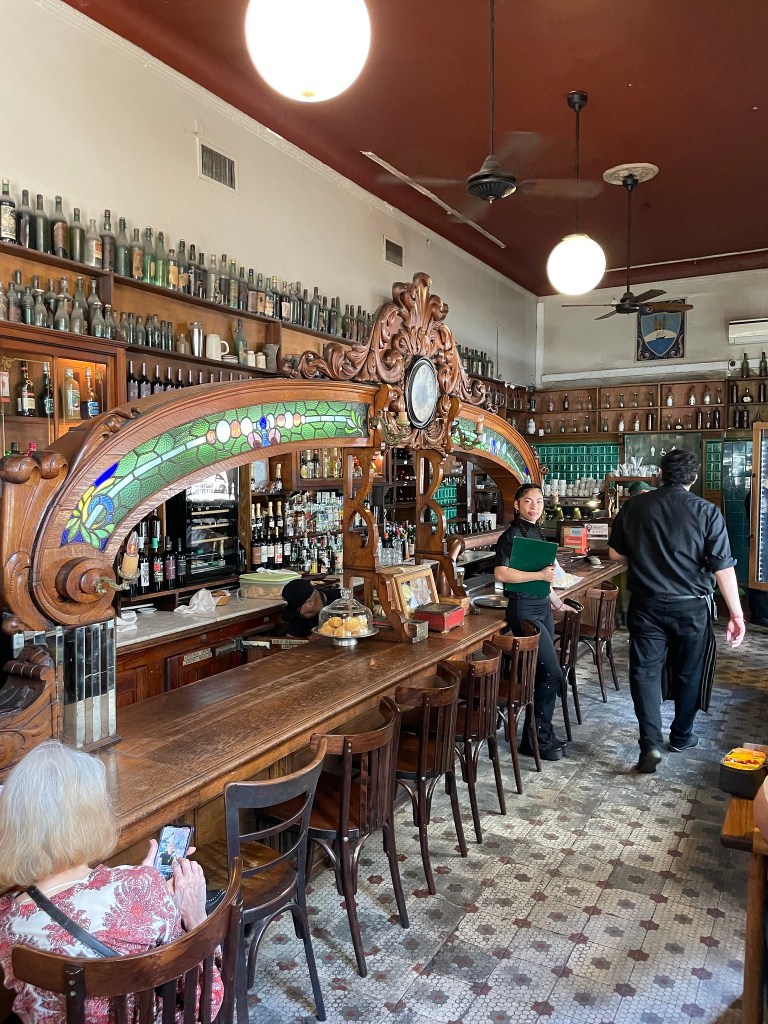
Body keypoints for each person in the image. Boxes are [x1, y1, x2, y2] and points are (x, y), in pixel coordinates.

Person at [0, 741, 222, 1024]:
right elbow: (205, 1001)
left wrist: (141, 878)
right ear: (93, 816)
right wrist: (195, 916)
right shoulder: (144, 888)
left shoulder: (8, 920)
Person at [609, 449, 745, 774]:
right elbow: (722, 569)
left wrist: (645, 561)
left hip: (646, 605)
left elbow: (614, 554)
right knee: (689, 672)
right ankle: (682, 736)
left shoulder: (635, 506)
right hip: (692, 606)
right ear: (694, 477)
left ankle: (650, 745)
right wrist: (737, 614)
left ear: (659, 474)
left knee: (645, 672)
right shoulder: (707, 511)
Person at [494, 483, 568, 761]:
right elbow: (501, 573)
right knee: (552, 673)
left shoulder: (537, 531)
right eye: (528, 501)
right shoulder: (511, 535)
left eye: (538, 501)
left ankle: (538, 735)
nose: (534, 506)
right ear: (516, 505)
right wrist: (538, 577)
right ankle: (537, 737)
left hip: (541, 606)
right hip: (523, 609)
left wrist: (557, 602)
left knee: (544, 673)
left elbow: (544, 574)